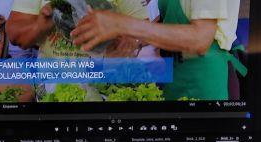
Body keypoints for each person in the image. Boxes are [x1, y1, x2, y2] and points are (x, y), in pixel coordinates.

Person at [69, 0, 245, 100]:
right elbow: (168, 19)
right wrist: (133, 39)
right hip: (174, 73)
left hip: (203, 80)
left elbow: (200, 39)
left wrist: (121, 24)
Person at [7, 0, 148, 101]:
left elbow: (145, 30)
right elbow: (15, 36)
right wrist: (42, 23)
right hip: (52, 88)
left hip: (106, 87)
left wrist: (127, 39)